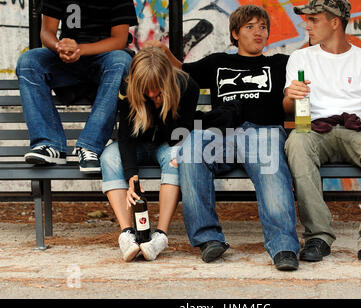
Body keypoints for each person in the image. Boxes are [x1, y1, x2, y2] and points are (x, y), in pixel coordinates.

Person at [145, 5, 301, 271]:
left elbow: (293, 96)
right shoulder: (218, 62)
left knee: (270, 167)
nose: (258, 32)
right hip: (222, 136)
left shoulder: (280, 63)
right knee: (192, 146)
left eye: (262, 27)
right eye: (250, 27)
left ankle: (283, 246)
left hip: (262, 131)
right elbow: (181, 69)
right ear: (235, 34)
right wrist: (163, 52)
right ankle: (208, 239)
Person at [283, 0, 361, 267]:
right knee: (296, 143)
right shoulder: (300, 58)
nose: (306, 25)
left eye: (313, 20)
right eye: (306, 20)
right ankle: (318, 236)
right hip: (314, 129)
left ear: (335, 22)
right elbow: (288, 107)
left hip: (355, 130)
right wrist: (291, 95)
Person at [100, 47, 199, 262]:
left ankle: (160, 236)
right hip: (137, 145)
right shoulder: (127, 89)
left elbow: (178, 136)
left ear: (167, 79)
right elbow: (125, 136)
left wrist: (162, 105)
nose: (152, 94)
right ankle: (127, 234)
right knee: (109, 156)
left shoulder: (187, 86)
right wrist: (132, 176)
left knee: (175, 157)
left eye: (157, 89)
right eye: (147, 90)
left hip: (167, 143)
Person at [16, 0, 137, 173]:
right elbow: (47, 32)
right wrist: (59, 47)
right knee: (29, 61)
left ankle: (90, 147)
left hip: (104, 60)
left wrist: (79, 49)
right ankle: (49, 144)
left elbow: (119, 40)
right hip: (67, 59)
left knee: (122, 60)